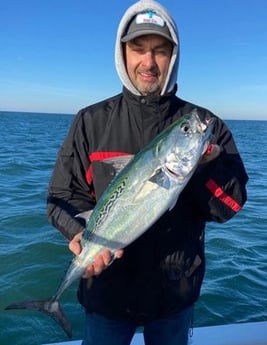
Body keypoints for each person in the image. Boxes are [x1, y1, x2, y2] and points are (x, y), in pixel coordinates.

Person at [47, 1, 248, 344]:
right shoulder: (91, 121)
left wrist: (204, 167)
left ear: (174, 56)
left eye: (160, 51)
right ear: (122, 53)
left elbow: (230, 205)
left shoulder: (203, 124)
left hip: (174, 296)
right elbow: (61, 198)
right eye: (138, 49)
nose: (149, 62)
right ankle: (52, 303)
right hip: (105, 293)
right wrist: (82, 234)